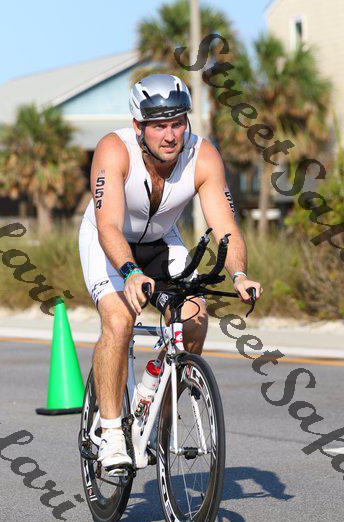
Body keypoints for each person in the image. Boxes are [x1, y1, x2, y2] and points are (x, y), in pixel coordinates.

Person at [79, 73, 262, 474]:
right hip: (108, 242)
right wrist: (129, 271)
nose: (170, 135)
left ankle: (151, 403)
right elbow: (108, 226)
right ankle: (110, 432)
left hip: (162, 241)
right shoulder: (114, 149)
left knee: (194, 319)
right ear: (138, 126)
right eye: (159, 125)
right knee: (119, 320)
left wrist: (240, 275)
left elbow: (225, 227)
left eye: (177, 123)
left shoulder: (203, 156)